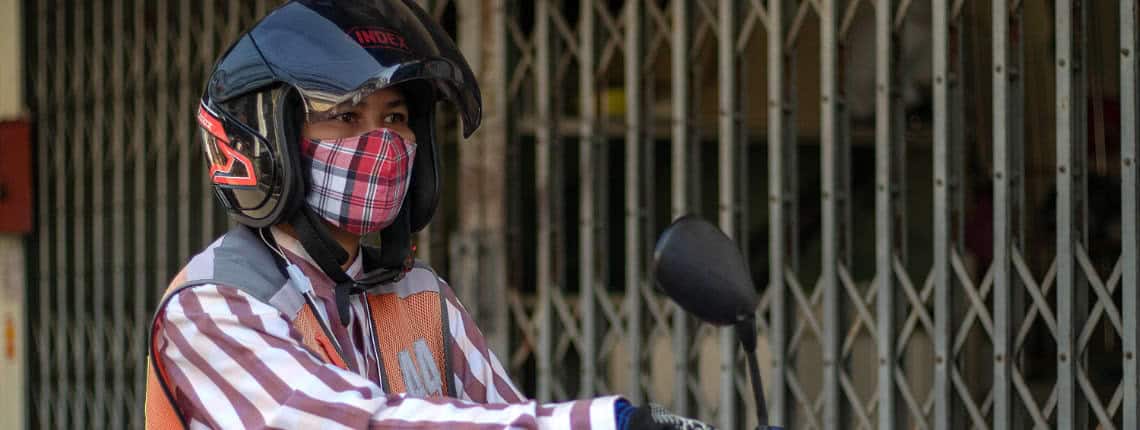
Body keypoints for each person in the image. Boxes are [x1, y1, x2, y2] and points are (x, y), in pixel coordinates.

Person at [143, 1, 714, 429]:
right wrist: (605, 423)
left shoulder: (421, 297)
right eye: (345, 117)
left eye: (394, 118)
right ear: (271, 144)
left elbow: (504, 413)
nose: (381, 142)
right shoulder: (213, 305)